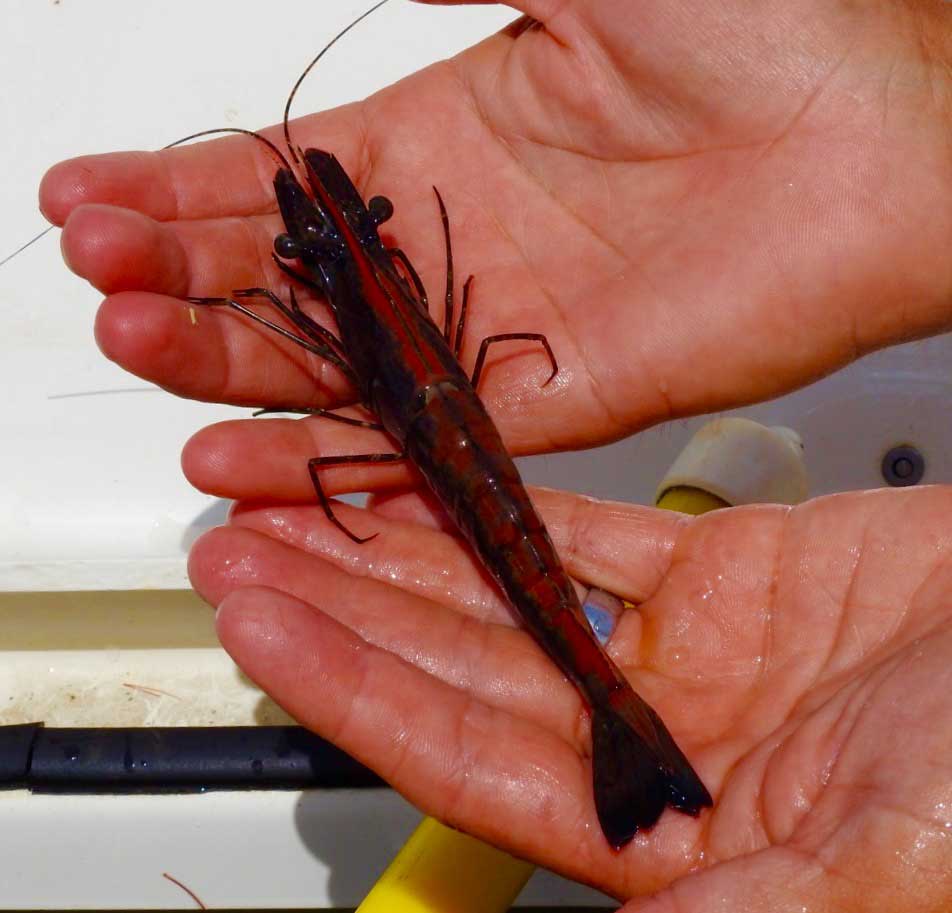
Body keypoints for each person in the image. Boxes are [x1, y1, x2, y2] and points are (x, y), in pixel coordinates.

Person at [39, 0, 952, 907]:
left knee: (281, 338)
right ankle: (613, 706)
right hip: (461, 426)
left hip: (451, 444)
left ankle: (613, 714)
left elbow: (328, 335)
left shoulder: (338, 316)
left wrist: (282, 282)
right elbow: (423, 284)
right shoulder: (407, 281)